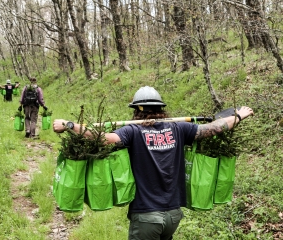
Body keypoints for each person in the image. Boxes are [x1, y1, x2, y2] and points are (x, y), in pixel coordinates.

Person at [53, 86, 254, 240]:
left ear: (137, 111)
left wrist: (70, 125)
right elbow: (214, 128)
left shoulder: (132, 131)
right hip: (173, 216)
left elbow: (103, 139)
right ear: (161, 109)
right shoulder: (179, 129)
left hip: (146, 217)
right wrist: (238, 116)